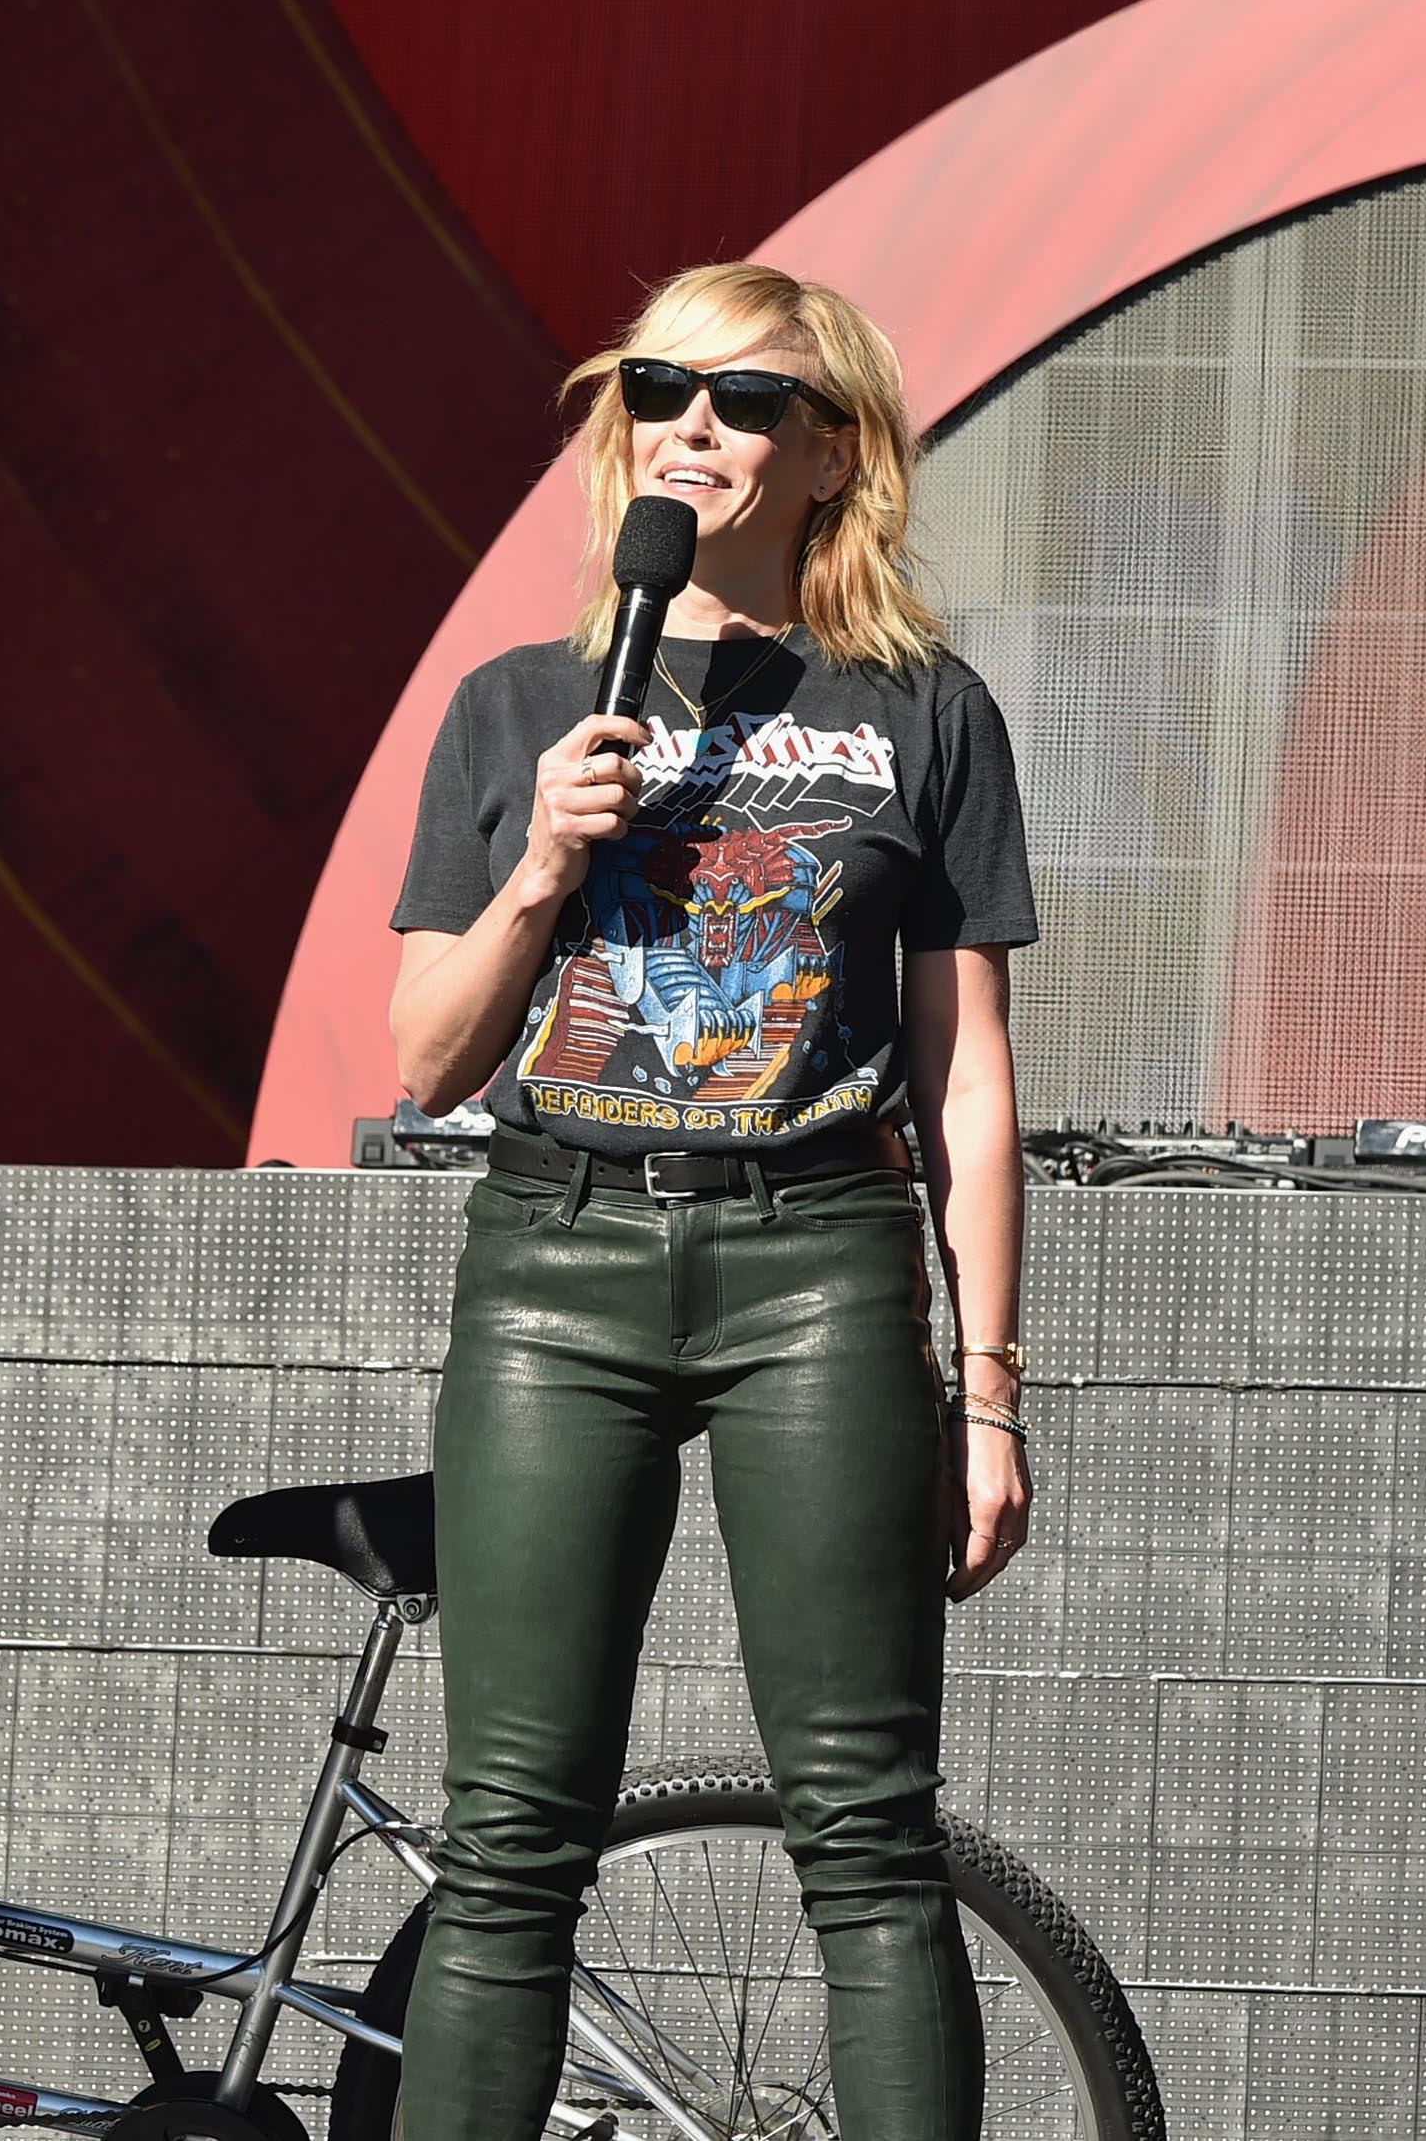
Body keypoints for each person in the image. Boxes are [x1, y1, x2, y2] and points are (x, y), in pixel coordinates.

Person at [388, 262, 1035, 2139]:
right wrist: (538, 874)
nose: (692, 424)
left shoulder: (920, 710)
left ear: (834, 451)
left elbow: (968, 1072)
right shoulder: (522, 707)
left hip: (819, 1265)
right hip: (553, 1258)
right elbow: (426, 1062)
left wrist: (985, 1390)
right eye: (659, 387)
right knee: (511, 1835)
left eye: (747, 399)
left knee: (865, 1825)